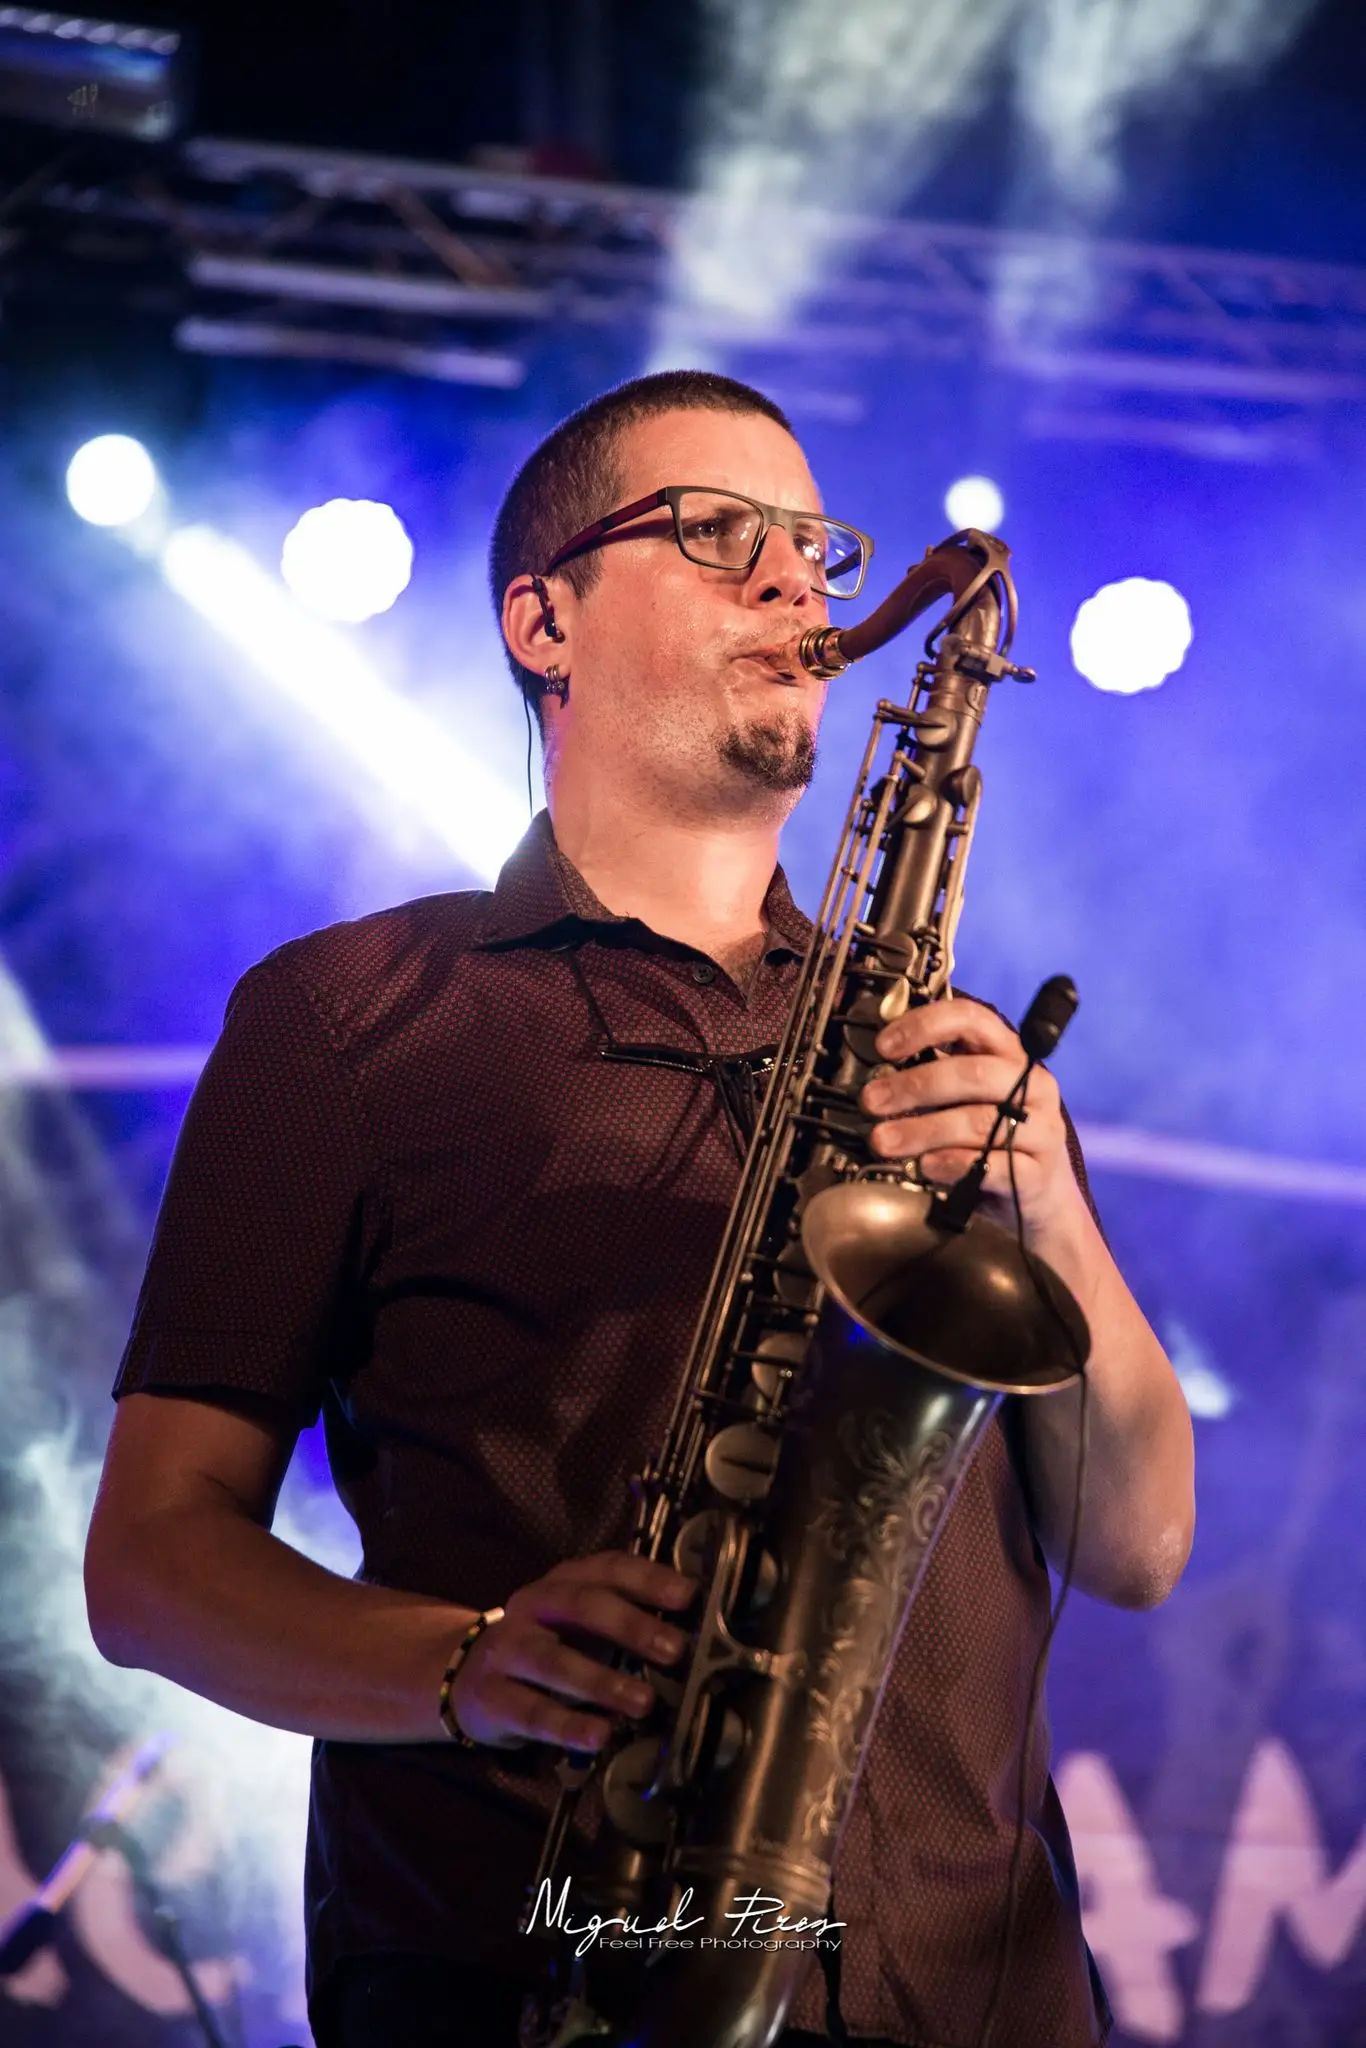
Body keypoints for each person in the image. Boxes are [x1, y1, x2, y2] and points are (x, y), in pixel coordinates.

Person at [84, 369, 1195, 2048]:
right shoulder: (346, 1018)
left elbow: (1137, 1545)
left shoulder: (956, 1064)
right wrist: (458, 1665)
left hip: (973, 1991)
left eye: (812, 544)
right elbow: (152, 1565)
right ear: (545, 622)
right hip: (548, 1969)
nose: (796, 579)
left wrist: (1047, 1202)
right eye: (718, 531)